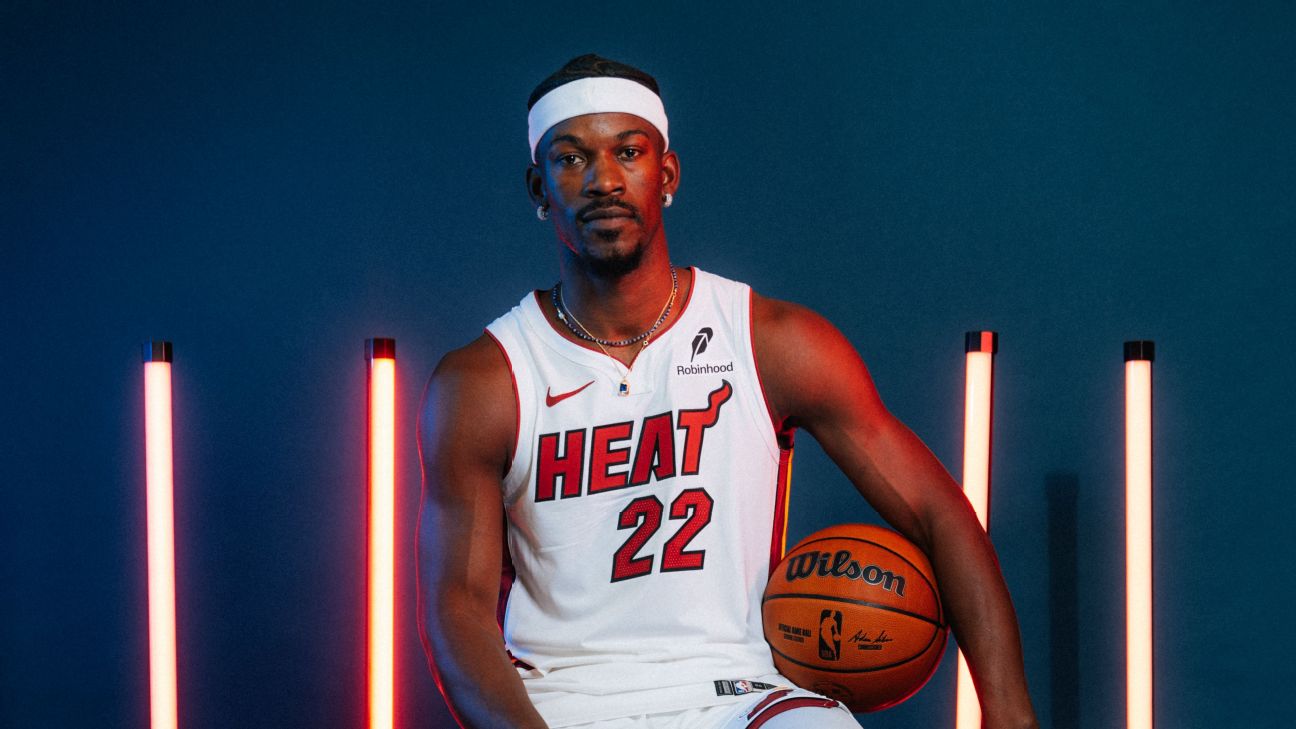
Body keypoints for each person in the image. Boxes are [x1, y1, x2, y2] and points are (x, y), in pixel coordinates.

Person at [417, 54, 1039, 729]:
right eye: (571, 159)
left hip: (738, 693)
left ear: (667, 174)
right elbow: (458, 607)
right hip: (564, 702)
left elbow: (938, 510)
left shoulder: (768, 341)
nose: (602, 179)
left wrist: (1009, 715)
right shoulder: (485, 380)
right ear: (540, 189)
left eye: (628, 151)